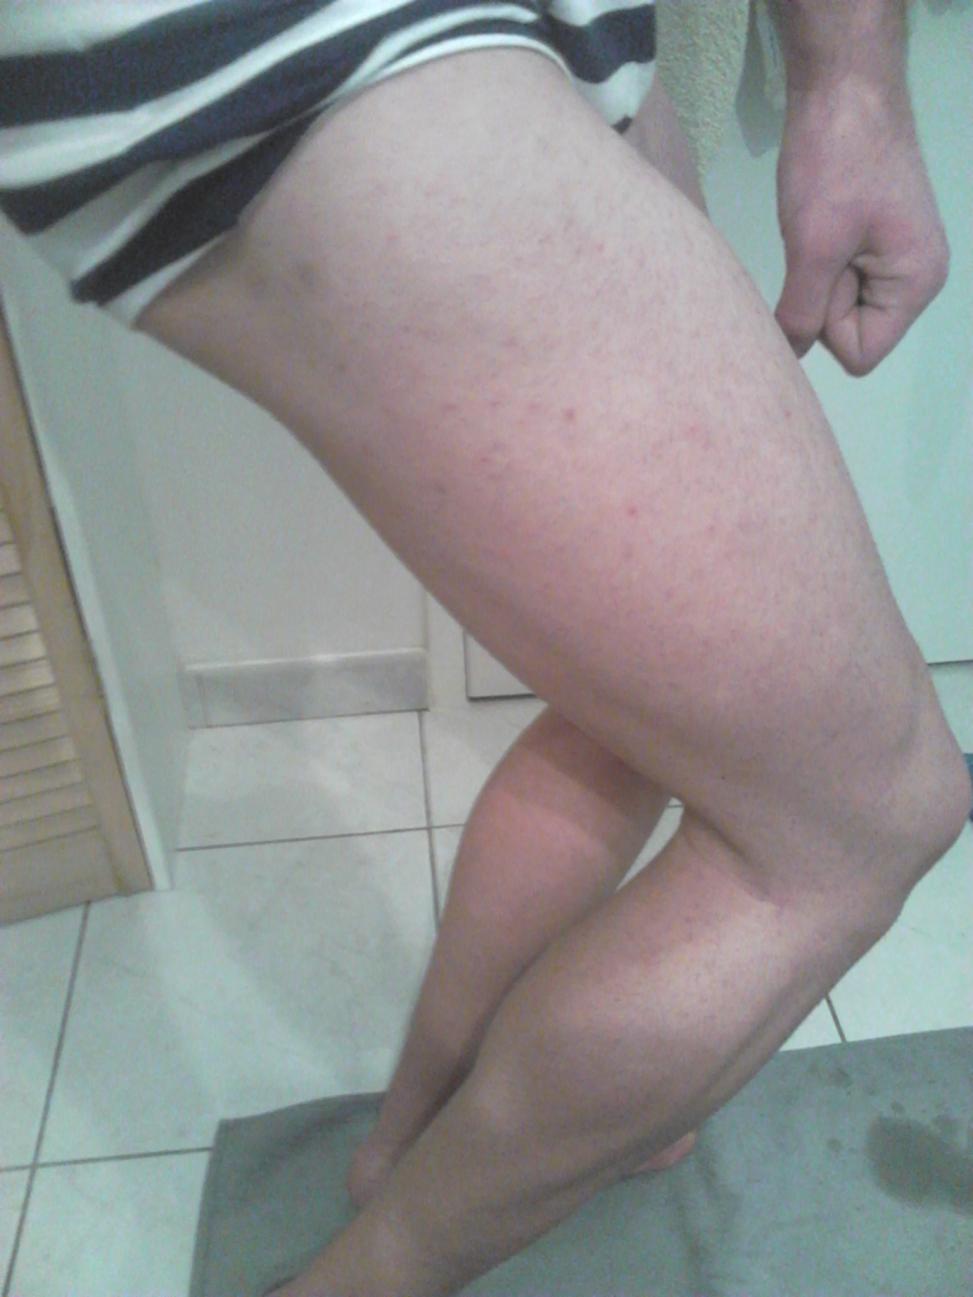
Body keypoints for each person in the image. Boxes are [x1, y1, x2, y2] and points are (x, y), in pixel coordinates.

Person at [1, 3, 968, 1294]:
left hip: (553, 34)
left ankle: (413, 1137)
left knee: (646, 719)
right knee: (870, 816)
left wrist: (846, 84)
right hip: (326, 36)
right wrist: (851, 86)